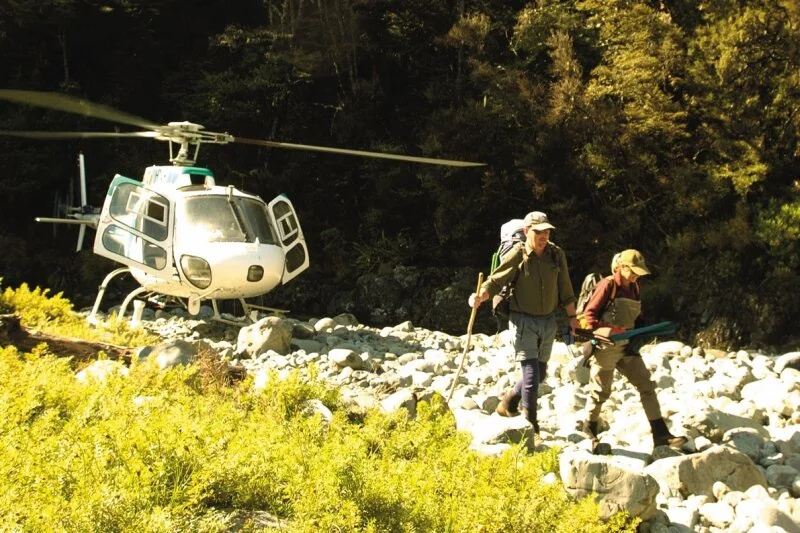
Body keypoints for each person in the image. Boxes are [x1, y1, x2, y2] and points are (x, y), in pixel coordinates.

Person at [469, 211, 579, 446]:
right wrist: (480, 296)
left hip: (548, 321)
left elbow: (566, 288)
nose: (544, 236)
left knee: (540, 373)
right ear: (527, 231)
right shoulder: (517, 254)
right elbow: (495, 280)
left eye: (547, 231)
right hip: (522, 320)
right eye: (539, 231)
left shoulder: (556, 255)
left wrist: (573, 317)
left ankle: (507, 401)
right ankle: (532, 426)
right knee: (530, 373)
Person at [580, 249, 687, 450]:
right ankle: (589, 431)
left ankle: (661, 435)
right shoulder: (607, 285)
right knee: (600, 392)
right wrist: (607, 332)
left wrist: (639, 334)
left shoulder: (635, 288)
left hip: (627, 346)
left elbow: (636, 319)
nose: (637, 275)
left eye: (639, 272)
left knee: (646, 385)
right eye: (634, 271)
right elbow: (589, 316)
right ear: (622, 267)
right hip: (606, 347)